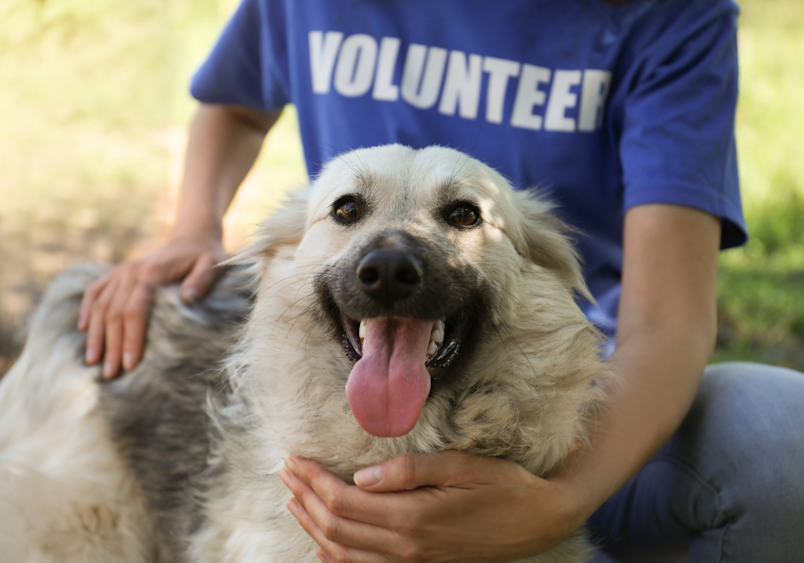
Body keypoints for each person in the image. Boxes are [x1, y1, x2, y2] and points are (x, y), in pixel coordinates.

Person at [78, 0, 804, 561]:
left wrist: (554, 504)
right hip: (330, 417)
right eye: (351, 211)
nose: (392, 257)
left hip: (584, 429)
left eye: (462, 215)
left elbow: (668, 319)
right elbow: (236, 100)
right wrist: (193, 226)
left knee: (781, 437)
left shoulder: (669, 14)